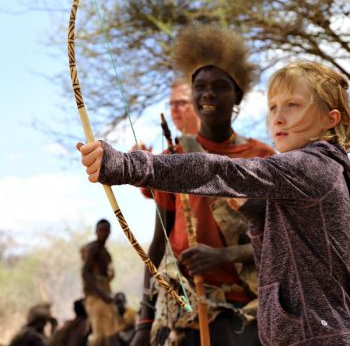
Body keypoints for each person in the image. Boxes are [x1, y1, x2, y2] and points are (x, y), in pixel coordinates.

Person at [78, 55, 350, 345]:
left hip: (307, 332)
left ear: (330, 119)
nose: (278, 117)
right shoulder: (323, 169)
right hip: (288, 328)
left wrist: (127, 165)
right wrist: (257, 214)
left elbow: (219, 170)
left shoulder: (310, 166)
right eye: (272, 108)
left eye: (293, 105)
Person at [80, 25, 275, 346]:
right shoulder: (175, 156)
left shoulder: (263, 158)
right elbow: (160, 240)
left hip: (250, 312)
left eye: (219, 86)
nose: (207, 94)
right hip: (187, 309)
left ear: (237, 95)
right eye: (199, 86)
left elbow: (279, 243)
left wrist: (225, 255)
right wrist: (144, 320)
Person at [81, 219, 119, 345]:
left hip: (104, 294)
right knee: (99, 336)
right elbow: (85, 273)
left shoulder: (105, 252)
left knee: (110, 333)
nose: (103, 233)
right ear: (96, 231)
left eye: (106, 230)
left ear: (110, 232)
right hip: (95, 297)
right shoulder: (93, 248)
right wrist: (101, 293)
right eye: (101, 230)